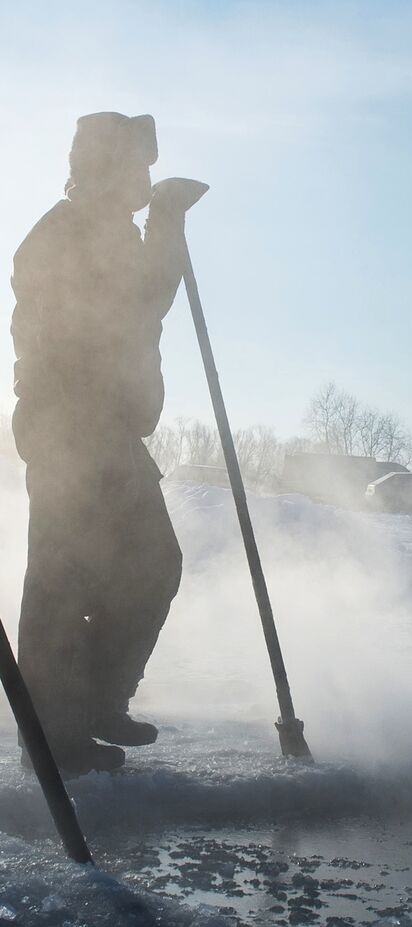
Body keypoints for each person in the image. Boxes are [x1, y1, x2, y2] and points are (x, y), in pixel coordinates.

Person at [11, 112, 206, 774]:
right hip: (72, 429)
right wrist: (167, 224)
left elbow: (141, 297)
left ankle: (92, 704)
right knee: (65, 584)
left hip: (108, 430)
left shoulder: (102, 229)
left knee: (149, 567)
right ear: (107, 166)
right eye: (139, 168)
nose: (145, 181)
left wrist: (165, 224)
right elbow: (131, 299)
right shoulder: (67, 234)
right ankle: (57, 733)